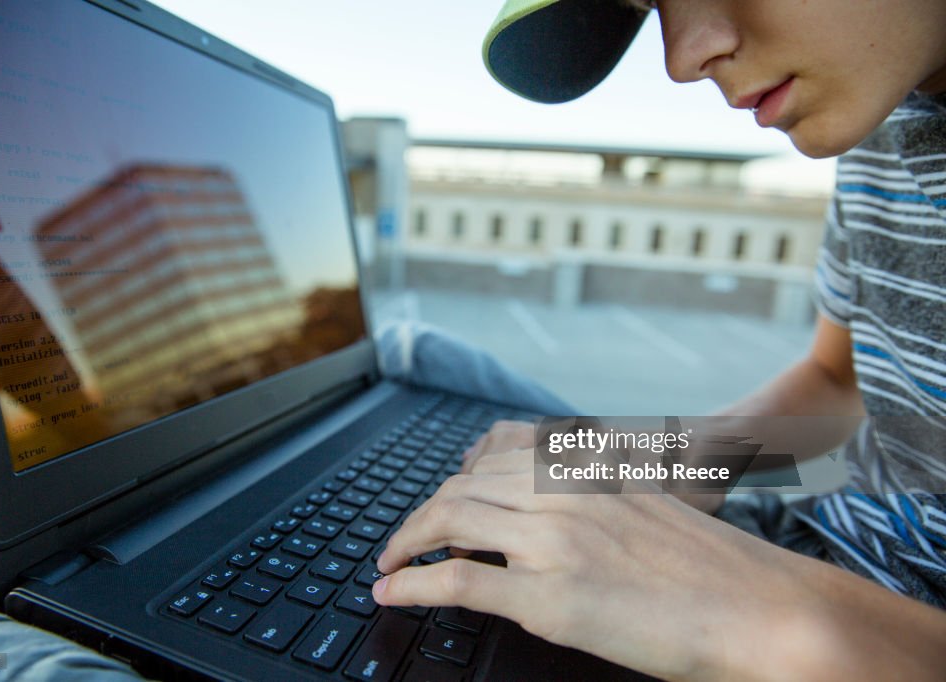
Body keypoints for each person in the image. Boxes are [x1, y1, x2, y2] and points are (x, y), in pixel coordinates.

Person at [370, 1, 946, 680]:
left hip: (848, 634)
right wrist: (652, 463)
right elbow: (838, 385)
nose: (682, 58)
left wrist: (745, 603)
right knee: (411, 356)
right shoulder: (883, 126)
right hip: (802, 534)